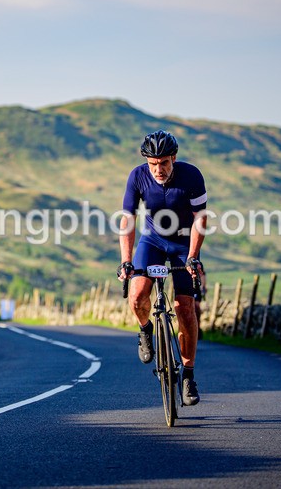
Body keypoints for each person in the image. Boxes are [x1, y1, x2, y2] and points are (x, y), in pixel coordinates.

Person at [116, 130, 207, 406]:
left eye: (164, 163)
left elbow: (200, 220)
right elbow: (128, 220)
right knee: (137, 295)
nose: (158, 169)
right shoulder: (137, 176)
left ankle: (188, 375)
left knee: (185, 308)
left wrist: (193, 256)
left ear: (173, 158)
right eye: (153, 164)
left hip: (183, 244)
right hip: (153, 241)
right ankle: (145, 330)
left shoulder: (192, 175)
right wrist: (126, 261)